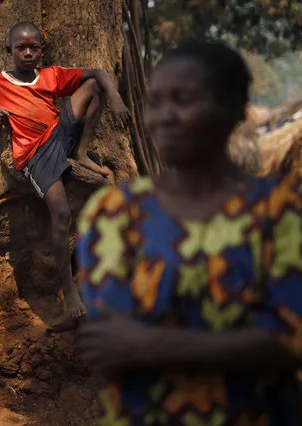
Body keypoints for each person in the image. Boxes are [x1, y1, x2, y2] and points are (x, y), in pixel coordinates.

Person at [75, 39, 302, 424]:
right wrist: (236, 343)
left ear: (232, 109)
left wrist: (152, 346)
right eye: (156, 101)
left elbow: (289, 339)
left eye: (183, 100)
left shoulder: (281, 210)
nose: (164, 116)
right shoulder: (114, 212)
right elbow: (110, 343)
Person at [0, 21, 131, 331]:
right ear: (10, 51)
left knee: (93, 86)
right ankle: (68, 292)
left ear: (42, 51)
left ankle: (82, 152)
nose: (28, 53)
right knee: (61, 214)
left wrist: (116, 99)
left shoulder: (50, 76)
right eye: (21, 48)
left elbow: (97, 74)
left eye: (34, 47)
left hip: (59, 135)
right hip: (34, 155)